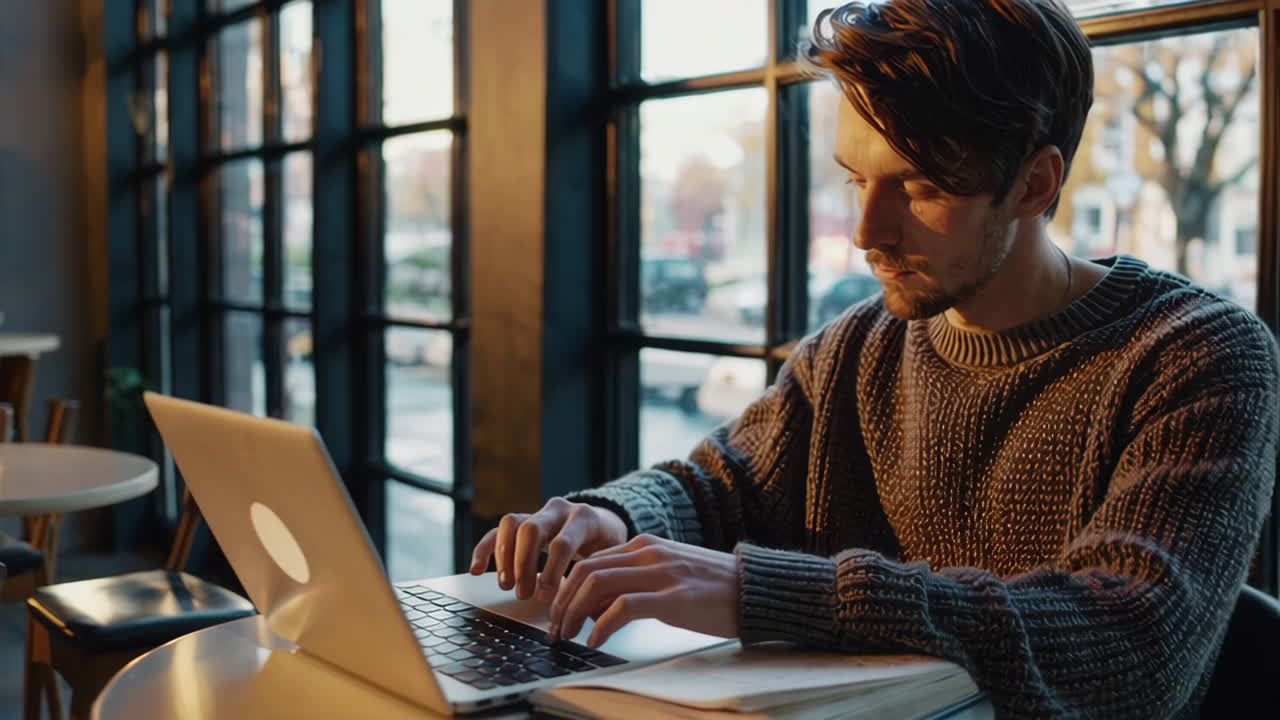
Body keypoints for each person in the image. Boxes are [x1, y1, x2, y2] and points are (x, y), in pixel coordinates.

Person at [470, 0, 1280, 716]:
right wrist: (613, 517)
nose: (866, 231)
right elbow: (718, 487)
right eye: (855, 177)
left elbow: (1131, 637)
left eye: (920, 187)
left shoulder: (1197, 355)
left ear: (1036, 184)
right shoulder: (856, 349)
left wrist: (766, 592)